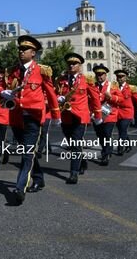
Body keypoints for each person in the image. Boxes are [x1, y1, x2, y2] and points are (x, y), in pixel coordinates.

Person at [1, 36, 60, 202]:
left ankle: (20, 188)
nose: (20, 52)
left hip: (33, 118)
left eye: (24, 49)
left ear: (33, 53)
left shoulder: (41, 70)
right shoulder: (13, 71)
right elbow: (0, 85)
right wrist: (2, 92)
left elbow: (51, 93)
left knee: (27, 154)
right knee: (27, 152)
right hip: (16, 118)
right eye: (19, 49)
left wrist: (55, 114)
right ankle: (39, 178)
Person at [56, 53, 102, 184]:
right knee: (71, 143)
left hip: (80, 116)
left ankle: (73, 173)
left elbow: (95, 99)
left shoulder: (87, 80)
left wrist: (98, 115)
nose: (71, 65)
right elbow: (54, 93)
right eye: (69, 63)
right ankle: (82, 160)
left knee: (76, 143)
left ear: (79, 66)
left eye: (74, 63)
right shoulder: (61, 80)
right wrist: (57, 97)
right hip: (66, 116)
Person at [114, 69, 137, 155]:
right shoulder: (114, 87)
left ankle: (120, 148)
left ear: (126, 78)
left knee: (122, 130)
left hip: (127, 113)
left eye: (122, 76)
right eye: (118, 76)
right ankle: (129, 145)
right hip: (116, 113)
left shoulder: (131, 88)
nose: (120, 78)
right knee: (122, 131)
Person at [93, 64, 122, 166]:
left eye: (101, 74)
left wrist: (111, 97)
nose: (99, 76)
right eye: (97, 74)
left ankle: (106, 154)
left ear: (106, 75)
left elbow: (121, 99)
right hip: (97, 115)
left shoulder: (112, 85)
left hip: (109, 115)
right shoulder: (92, 86)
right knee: (100, 135)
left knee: (106, 133)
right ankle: (105, 149)